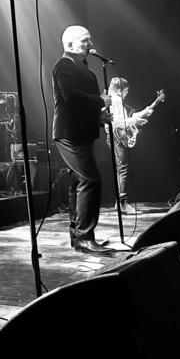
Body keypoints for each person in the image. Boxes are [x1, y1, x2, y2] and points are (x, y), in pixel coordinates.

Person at [52, 25, 113, 254]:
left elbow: (81, 105)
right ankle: (85, 237)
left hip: (80, 132)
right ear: (70, 44)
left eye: (89, 40)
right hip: (69, 133)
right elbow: (71, 97)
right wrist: (100, 102)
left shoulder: (83, 68)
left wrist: (99, 116)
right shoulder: (64, 64)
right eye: (85, 40)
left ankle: (77, 236)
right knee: (90, 180)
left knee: (78, 182)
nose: (90, 44)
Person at [105, 77, 151, 215]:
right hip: (116, 137)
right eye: (126, 90)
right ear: (120, 89)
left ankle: (119, 202)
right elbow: (117, 122)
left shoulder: (110, 99)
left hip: (113, 136)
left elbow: (121, 119)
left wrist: (139, 115)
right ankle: (122, 203)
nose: (127, 93)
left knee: (120, 169)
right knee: (123, 169)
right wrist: (136, 120)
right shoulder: (117, 100)